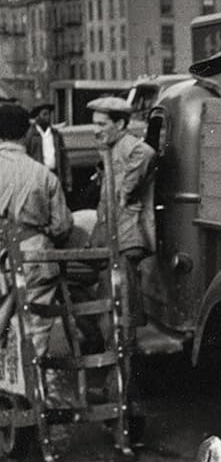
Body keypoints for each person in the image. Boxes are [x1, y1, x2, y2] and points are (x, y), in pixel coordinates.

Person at [88, 97, 157, 428]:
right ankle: (116, 396)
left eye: (102, 123)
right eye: (96, 122)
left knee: (123, 325)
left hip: (125, 243)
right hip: (110, 244)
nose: (96, 129)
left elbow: (148, 154)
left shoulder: (132, 149)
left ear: (121, 124)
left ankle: (127, 407)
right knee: (110, 322)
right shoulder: (110, 150)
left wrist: (126, 189)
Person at [0, 102, 74, 360]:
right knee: (34, 332)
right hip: (35, 258)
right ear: (24, 133)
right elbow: (62, 226)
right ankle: (30, 392)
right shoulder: (44, 175)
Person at [25, 103, 70, 191]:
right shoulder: (31, 135)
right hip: (38, 176)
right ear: (37, 117)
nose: (48, 117)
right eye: (45, 114)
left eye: (49, 114)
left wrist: (67, 178)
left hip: (55, 173)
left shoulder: (55, 134)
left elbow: (64, 157)